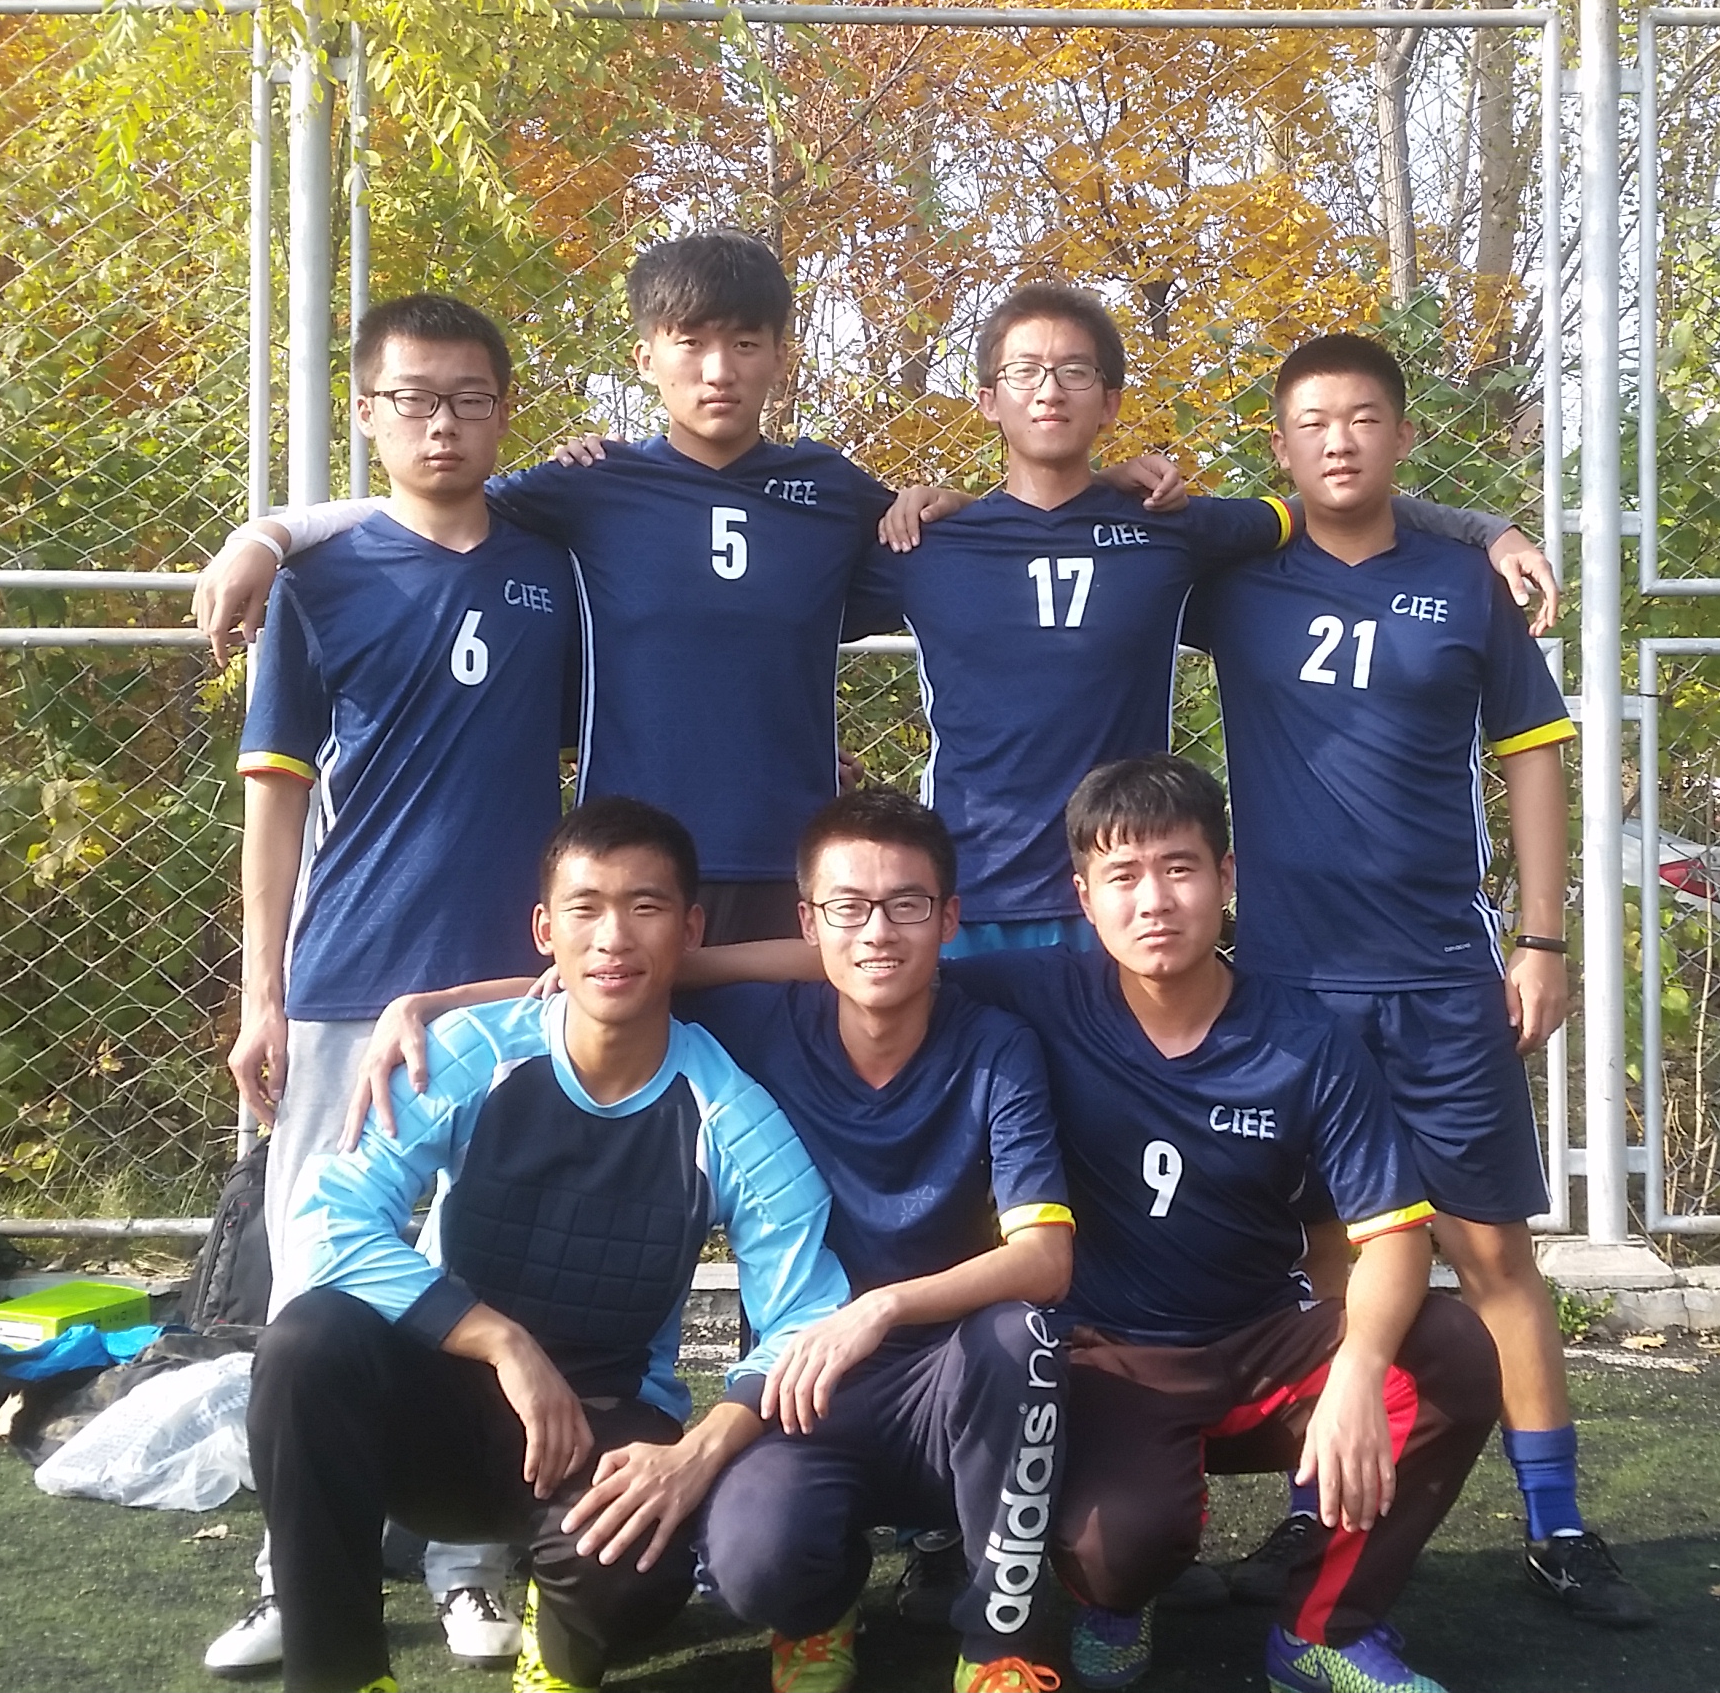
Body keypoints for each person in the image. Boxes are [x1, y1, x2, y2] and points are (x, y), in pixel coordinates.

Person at [364, 790, 1079, 1693]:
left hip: (949, 1374)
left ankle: (1001, 1643)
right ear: (808, 922)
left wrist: (882, 1307)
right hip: (801, 1379)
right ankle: (819, 1608)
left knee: (1022, 1336)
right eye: (847, 906)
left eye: (906, 904)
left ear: (948, 917)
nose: (877, 932)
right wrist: (429, 1004)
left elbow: (1045, 1261)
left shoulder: (998, 1045)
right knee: (751, 1563)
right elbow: (611, 976)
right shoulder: (752, 1026)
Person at [1185, 334, 1649, 1627]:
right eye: (1313, 422)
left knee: (1491, 1252)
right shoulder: (1235, 580)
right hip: (1292, 983)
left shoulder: (1461, 582)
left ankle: (1560, 1524)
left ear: (1401, 436)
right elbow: (1127, 532)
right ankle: (1318, 1510)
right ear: (1280, 446)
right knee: (1334, 1262)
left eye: (1364, 418)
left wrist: (1544, 940)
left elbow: (1534, 753)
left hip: (1442, 978)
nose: (1339, 441)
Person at [247, 798, 852, 1693]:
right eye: (586, 908)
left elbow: (807, 1315)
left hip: (604, 1420)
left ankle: (564, 1633)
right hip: (444, 1407)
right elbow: (326, 1222)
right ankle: (339, 1675)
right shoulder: (467, 1055)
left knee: (636, 1573)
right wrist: (501, 1341)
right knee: (306, 1346)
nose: (614, 938)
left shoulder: (731, 1114)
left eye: (645, 907)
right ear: (545, 930)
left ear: (690, 930)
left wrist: (696, 1454)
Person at [194, 230, 918, 943]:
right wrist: (269, 534)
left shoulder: (829, 489)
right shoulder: (591, 484)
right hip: (629, 868)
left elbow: (931, 553)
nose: (718, 370)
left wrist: (937, 501)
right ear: (646, 358)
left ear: (781, 357)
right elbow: (432, 506)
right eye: (691, 343)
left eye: (746, 344)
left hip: (794, 862)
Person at [952, 757, 1501, 1693]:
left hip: (1262, 1346)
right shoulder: (1032, 994)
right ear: (1084, 899)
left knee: (1449, 1350)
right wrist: (693, 968)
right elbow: (873, 963)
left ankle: (1323, 1632)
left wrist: (1359, 1371)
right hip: (1111, 1359)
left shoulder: (1305, 1037)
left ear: (1226, 877)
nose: (1154, 901)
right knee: (1118, 1549)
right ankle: (1118, 1596)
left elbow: (1393, 1235)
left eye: (1180, 868)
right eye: (1122, 876)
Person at [212, 290, 568, 1675]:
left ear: (503, 411)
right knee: (320, 1284)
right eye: (413, 398)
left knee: (479, 1263)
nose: (442, 421)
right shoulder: (320, 581)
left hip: (508, 987)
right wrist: (261, 993)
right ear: (366, 414)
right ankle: (301, 1567)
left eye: (470, 396)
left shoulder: (557, 571)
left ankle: (473, 1562)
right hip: (345, 979)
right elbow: (276, 802)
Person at [873, 281, 1560, 955]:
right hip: (970, 899)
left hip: (1128, 907)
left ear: (1110, 403)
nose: (1049, 390)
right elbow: (808, 614)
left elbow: (1331, 501)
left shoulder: (1171, 529)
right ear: (988, 400)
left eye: (1075, 371)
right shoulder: (925, 544)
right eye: (1024, 371)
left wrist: (1485, 530)